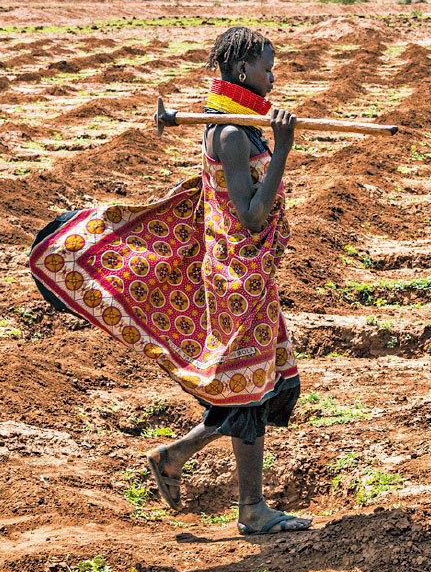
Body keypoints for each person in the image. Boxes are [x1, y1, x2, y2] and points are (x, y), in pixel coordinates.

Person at [28, 26, 311, 535]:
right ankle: (251, 510)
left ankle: (174, 456)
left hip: (249, 274)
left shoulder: (242, 125)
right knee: (246, 390)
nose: (273, 76)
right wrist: (285, 149)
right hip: (238, 277)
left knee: (254, 385)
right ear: (243, 70)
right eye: (268, 67)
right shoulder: (229, 133)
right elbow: (249, 214)